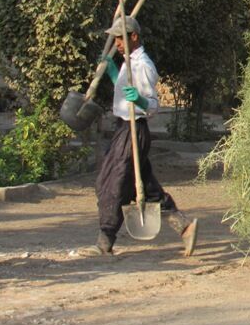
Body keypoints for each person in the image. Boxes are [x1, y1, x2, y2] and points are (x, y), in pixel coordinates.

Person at [77, 16, 198, 257]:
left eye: (121, 38)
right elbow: (124, 93)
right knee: (143, 185)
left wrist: (140, 100)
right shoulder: (128, 63)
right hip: (124, 127)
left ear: (134, 37)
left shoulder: (142, 65)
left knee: (112, 183)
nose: (117, 43)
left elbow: (152, 104)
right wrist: (113, 73)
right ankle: (183, 225)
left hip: (134, 129)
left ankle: (104, 241)